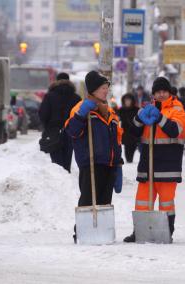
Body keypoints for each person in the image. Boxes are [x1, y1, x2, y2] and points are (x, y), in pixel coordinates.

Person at [123, 77, 185, 243]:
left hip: (168, 165)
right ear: (153, 94)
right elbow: (133, 133)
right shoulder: (146, 109)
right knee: (142, 202)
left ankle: (166, 233)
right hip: (147, 166)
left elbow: (175, 130)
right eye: (158, 91)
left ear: (169, 92)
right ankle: (139, 232)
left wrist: (160, 118)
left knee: (166, 203)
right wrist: (139, 119)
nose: (161, 94)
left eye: (164, 91)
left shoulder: (177, 109)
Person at [65, 71, 124, 243]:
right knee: (88, 200)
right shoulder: (80, 109)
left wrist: (118, 164)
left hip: (109, 163)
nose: (106, 91)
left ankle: (102, 233)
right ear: (93, 90)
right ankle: (82, 232)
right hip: (91, 163)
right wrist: (81, 115)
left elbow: (117, 140)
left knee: (105, 201)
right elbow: (72, 132)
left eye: (107, 88)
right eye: (103, 88)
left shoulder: (110, 112)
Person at [38, 72, 81, 172]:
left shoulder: (49, 96)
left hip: (53, 132)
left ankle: (59, 181)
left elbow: (43, 114)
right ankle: (66, 179)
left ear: (56, 81)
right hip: (70, 132)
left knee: (56, 163)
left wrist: (47, 126)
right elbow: (80, 115)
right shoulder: (76, 98)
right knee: (67, 160)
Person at [118, 93, 140, 163]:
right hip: (125, 135)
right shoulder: (121, 110)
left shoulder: (137, 110)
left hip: (135, 135)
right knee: (127, 155)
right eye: (126, 100)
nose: (127, 102)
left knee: (134, 152)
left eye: (129, 100)